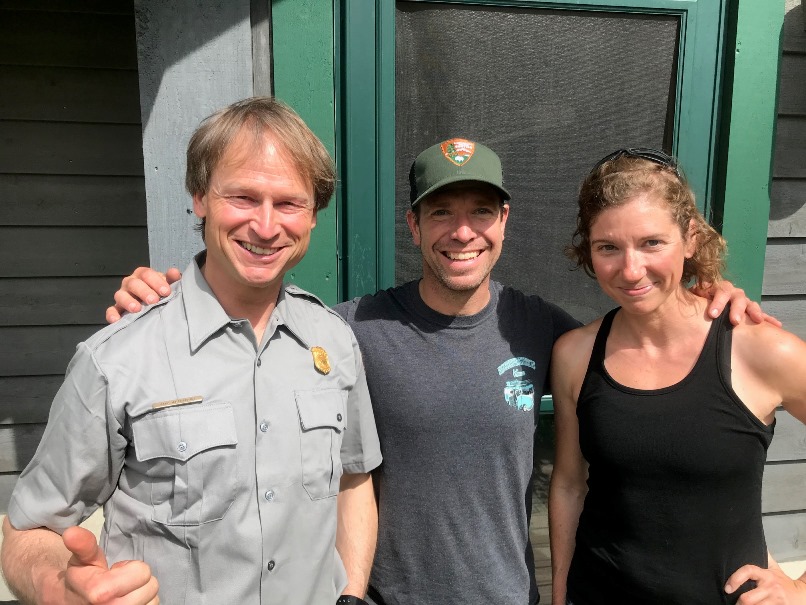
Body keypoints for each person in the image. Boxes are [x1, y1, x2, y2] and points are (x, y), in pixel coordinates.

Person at [106, 138, 770, 605]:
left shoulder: (547, 332)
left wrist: (714, 293)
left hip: (508, 594)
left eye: (481, 211)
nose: (462, 231)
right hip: (383, 596)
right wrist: (167, 296)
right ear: (414, 224)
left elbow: (644, 349)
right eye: (442, 213)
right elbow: (245, 330)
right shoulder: (348, 329)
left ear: (504, 221)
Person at [1, 97, 382, 605]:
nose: (267, 227)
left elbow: (353, 479)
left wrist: (352, 595)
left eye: (289, 203)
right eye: (243, 198)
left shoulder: (333, 340)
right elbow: (28, 528)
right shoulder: (117, 359)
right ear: (200, 197)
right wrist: (60, 590)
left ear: (313, 216)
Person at [548, 148, 806, 605]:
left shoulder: (759, 349)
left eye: (652, 243)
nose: (631, 270)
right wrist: (562, 595)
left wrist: (802, 589)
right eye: (608, 246)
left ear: (690, 239)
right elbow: (569, 484)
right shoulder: (575, 354)